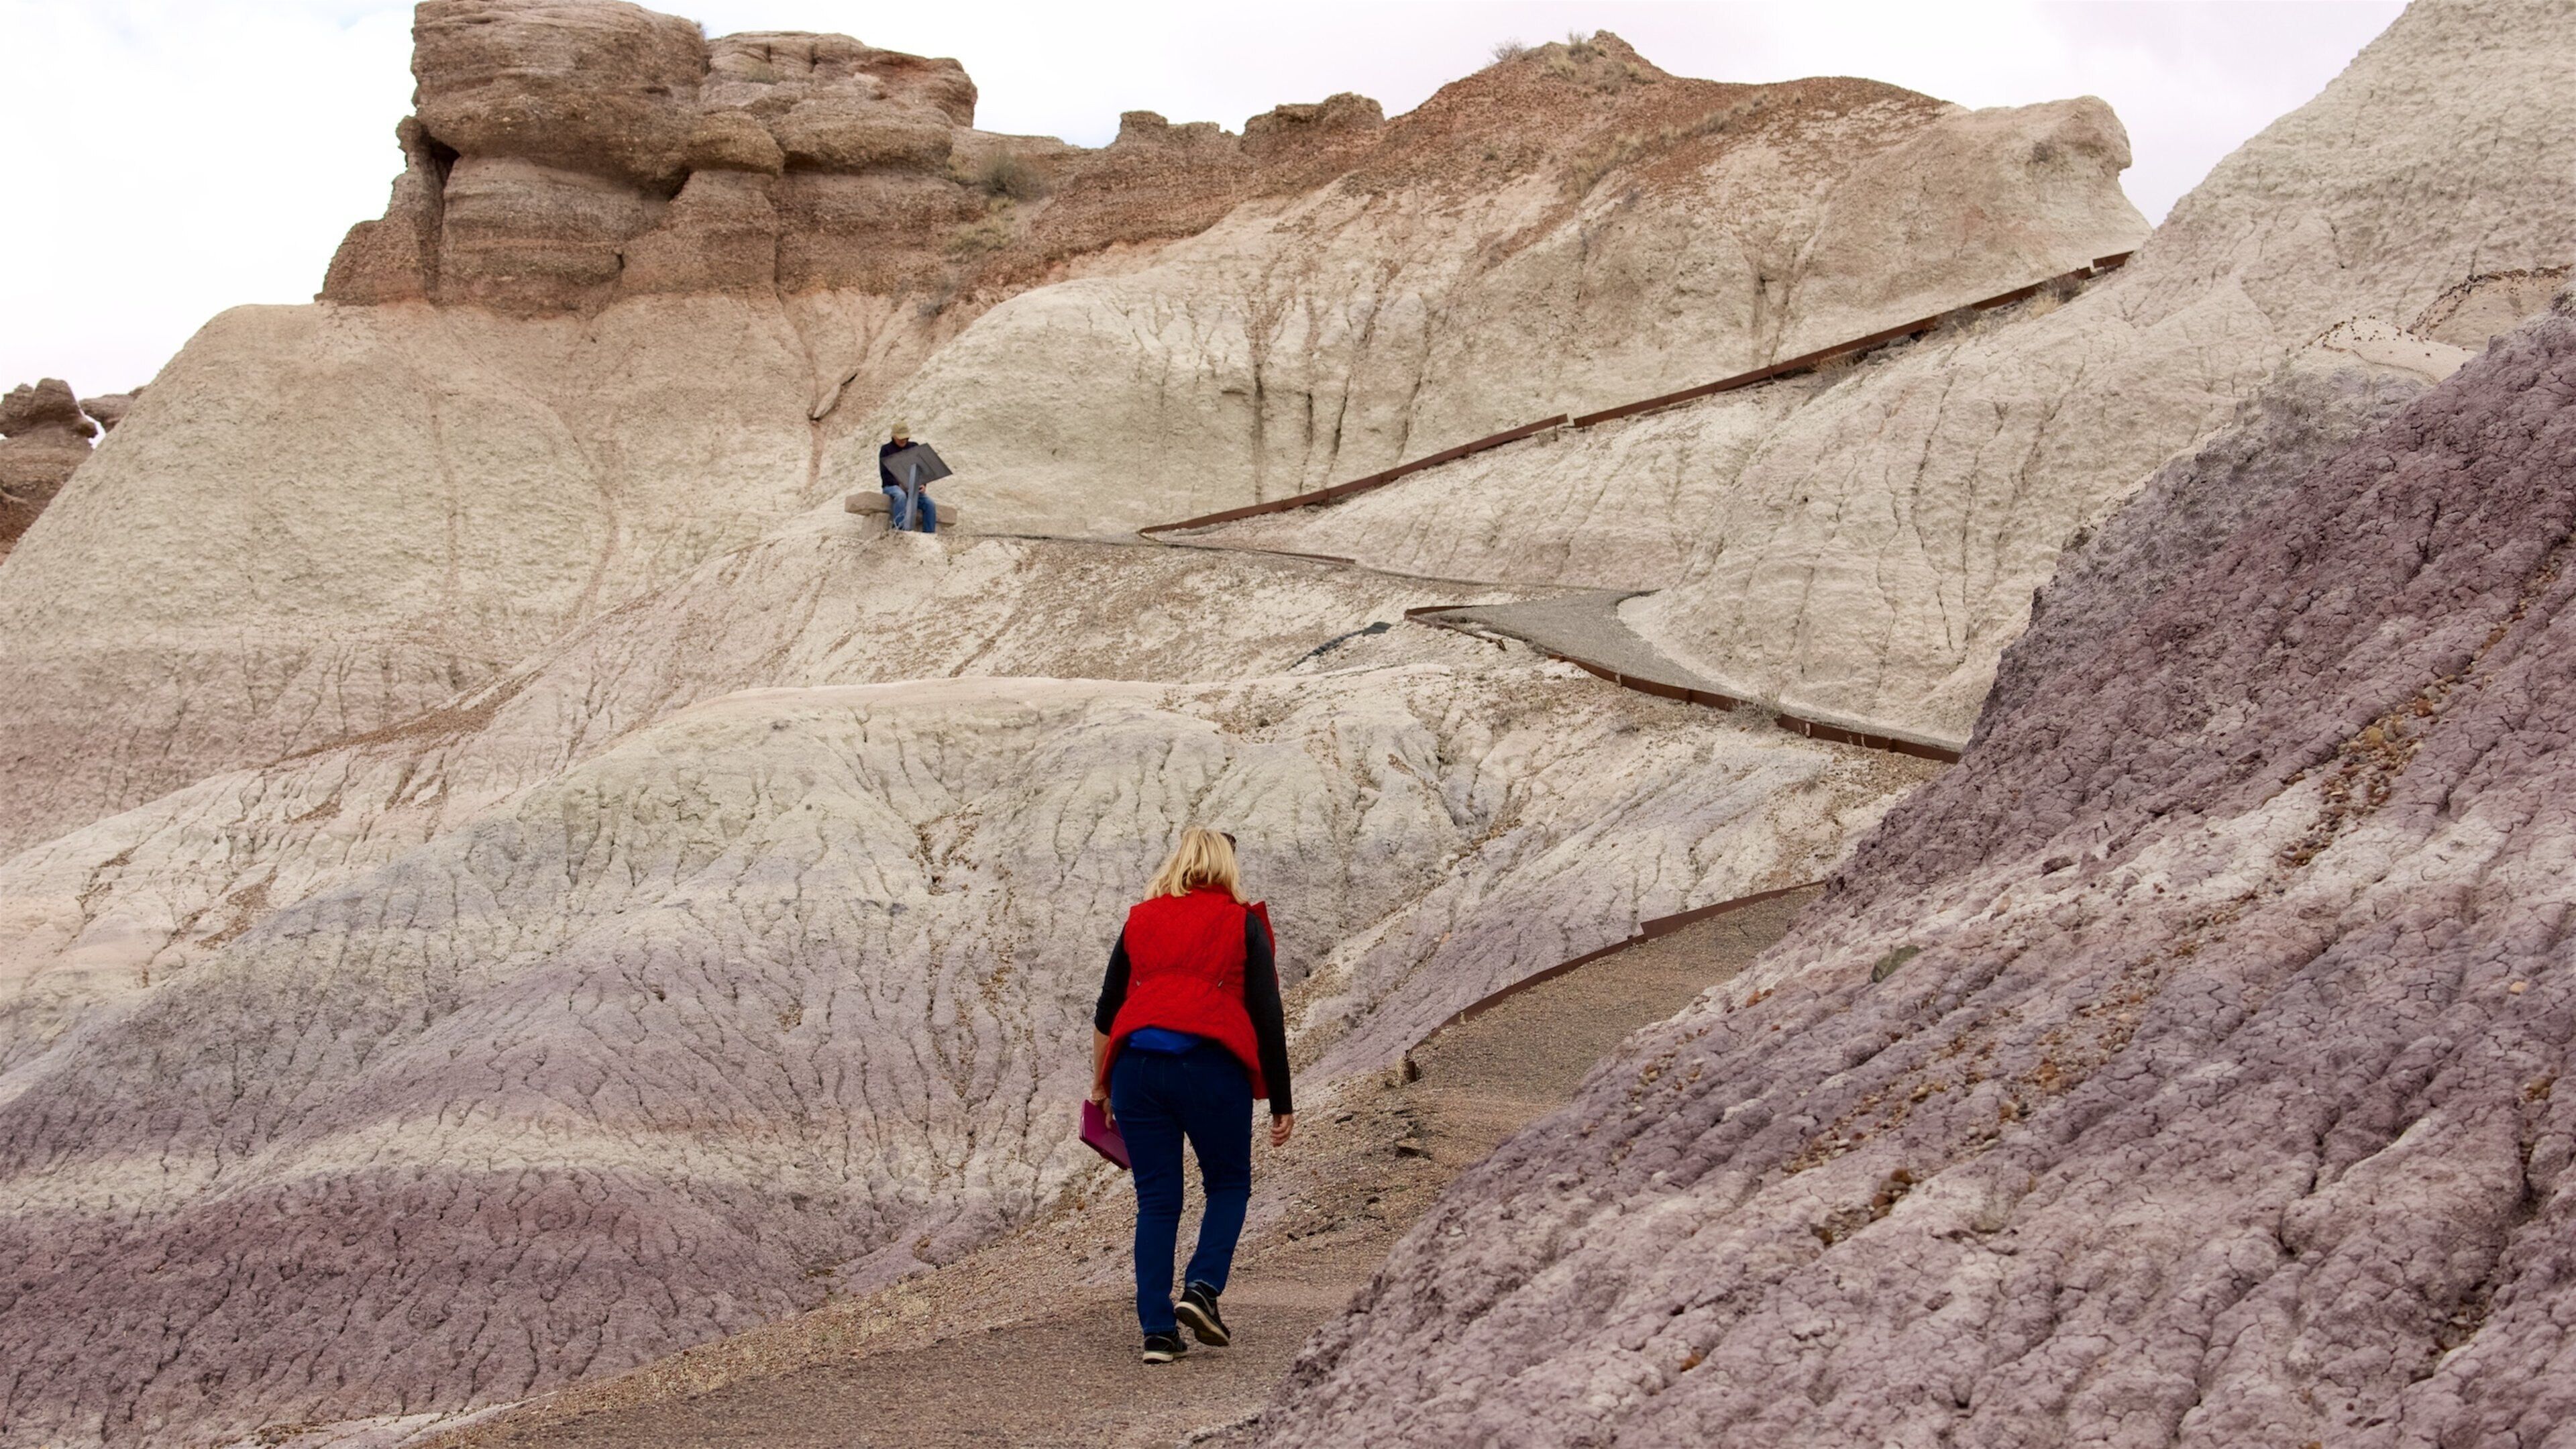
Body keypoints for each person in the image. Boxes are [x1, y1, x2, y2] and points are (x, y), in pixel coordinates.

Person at [1091, 826, 1294, 1364]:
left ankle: (1157, 1332)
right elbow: (1268, 1016)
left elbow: (1108, 1010)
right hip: (1210, 1067)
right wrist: (1281, 1101)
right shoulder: (1241, 922)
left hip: (1135, 1068)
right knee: (1228, 1183)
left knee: (1157, 1200)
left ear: (1177, 861)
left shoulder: (1141, 918)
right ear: (1228, 866)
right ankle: (1202, 1289)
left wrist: (1100, 1084)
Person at [877, 421, 940, 533]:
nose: (903, 440)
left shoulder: (914, 447)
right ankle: (899, 531)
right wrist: (900, 484)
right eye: (901, 438)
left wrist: (923, 485)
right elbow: (885, 475)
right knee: (901, 496)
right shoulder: (886, 450)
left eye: (906, 438)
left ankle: (929, 536)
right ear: (894, 436)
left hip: (913, 487)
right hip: (892, 487)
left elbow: (922, 470)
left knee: (930, 504)